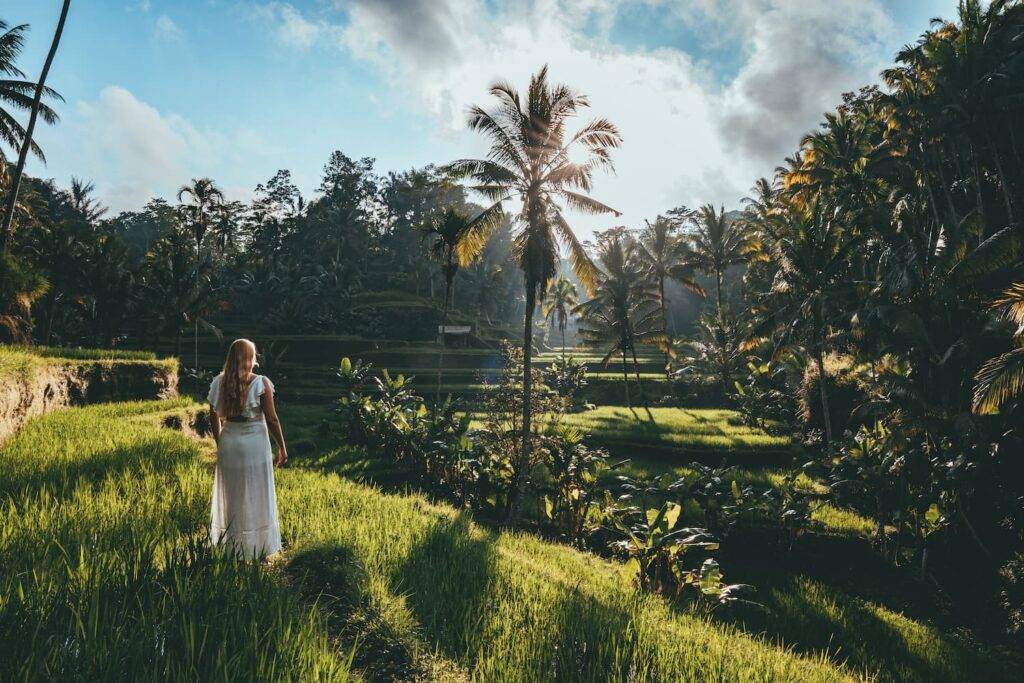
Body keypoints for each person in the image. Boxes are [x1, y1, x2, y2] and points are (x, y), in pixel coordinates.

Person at [207, 338, 287, 559]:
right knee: (256, 493)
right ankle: (258, 549)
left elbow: (212, 415)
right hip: (255, 444)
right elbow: (271, 418)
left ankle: (233, 547)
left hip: (229, 441)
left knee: (232, 494)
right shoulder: (261, 383)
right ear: (250, 358)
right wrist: (282, 446)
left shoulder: (218, 382)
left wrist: (220, 441)